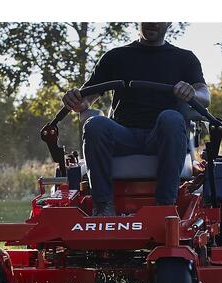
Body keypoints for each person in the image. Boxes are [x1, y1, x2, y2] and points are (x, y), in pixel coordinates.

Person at [62, 22, 210, 216]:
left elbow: (205, 97)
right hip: (123, 136)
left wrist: (191, 93)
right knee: (95, 124)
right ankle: (104, 206)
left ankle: (165, 207)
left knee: (171, 118)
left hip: (163, 137)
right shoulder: (116, 57)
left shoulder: (184, 58)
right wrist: (74, 99)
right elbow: (85, 101)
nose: (153, 22)